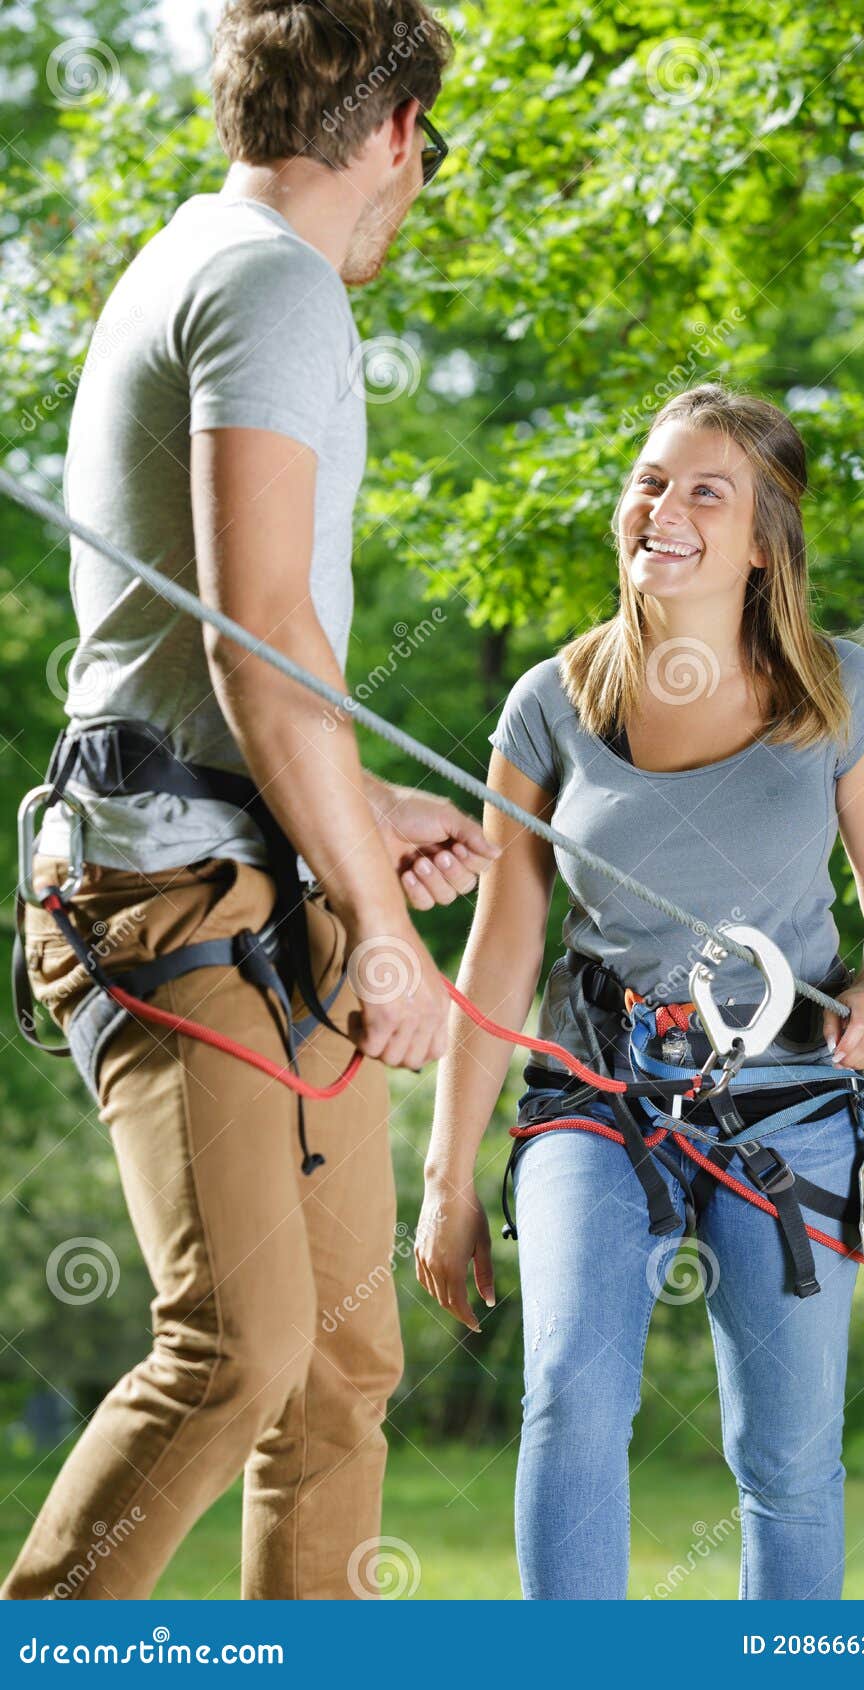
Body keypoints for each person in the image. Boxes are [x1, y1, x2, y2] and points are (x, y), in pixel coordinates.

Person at [2, 0, 501, 1602]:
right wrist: (380, 930)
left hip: (239, 864)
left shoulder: (194, 262)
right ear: (398, 132)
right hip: (176, 896)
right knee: (239, 1347)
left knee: (345, 1365)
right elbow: (257, 637)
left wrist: (351, 807)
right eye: (424, 155)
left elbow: (207, 655)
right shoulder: (269, 280)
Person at [415, 381, 864, 1600]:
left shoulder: (842, 690)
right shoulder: (552, 701)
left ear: (761, 541)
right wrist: (444, 1184)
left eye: (706, 489)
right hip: (595, 1096)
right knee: (570, 1396)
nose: (664, 507)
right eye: (650, 479)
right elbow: (498, 951)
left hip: (792, 1102)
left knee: (788, 1453)